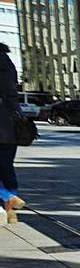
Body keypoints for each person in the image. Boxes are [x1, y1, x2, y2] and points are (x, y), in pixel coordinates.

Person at [0, 43, 23, 224]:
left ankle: (8, 196)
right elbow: (12, 92)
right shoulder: (8, 63)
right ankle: (11, 213)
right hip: (9, 125)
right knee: (7, 168)